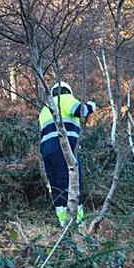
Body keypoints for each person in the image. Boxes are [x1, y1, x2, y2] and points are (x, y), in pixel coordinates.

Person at [37, 81, 96, 226]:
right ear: (67, 91)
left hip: (47, 151)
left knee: (56, 184)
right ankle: (79, 223)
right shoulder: (65, 99)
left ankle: (63, 222)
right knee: (73, 183)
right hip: (63, 148)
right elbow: (81, 111)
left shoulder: (44, 109)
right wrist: (91, 105)